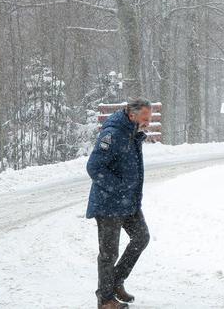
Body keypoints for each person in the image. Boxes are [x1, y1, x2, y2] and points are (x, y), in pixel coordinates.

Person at [86, 98, 152, 309]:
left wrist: (128, 192)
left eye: (149, 118)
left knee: (141, 237)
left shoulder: (132, 131)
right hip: (109, 203)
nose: (148, 122)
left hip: (128, 202)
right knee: (108, 253)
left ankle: (115, 281)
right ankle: (105, 300)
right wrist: (118, 188)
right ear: (132, 115)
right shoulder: (112, 133)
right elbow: (94, 167)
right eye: (145, 118)